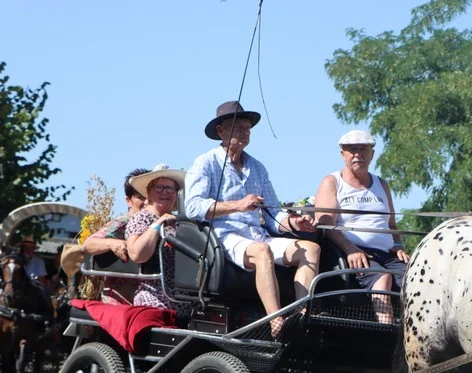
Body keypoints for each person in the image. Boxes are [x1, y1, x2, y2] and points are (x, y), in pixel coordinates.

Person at [185, 101, 319, 336]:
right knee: (261, 251)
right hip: (223, 237)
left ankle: (301, 316)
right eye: (239, 126)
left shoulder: (257, 167)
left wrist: (294, 223)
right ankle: (276, 322)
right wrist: (238, 205)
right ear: (221, 131)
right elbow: (193, 207)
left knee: (311, 249)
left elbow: (274, 213)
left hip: (258, 234)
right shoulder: (205, 162)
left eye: (248, 127)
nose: (245, 131)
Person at [314, 129, 407, 324]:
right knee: (382, 278)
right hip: (354, 253)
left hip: (387, 253)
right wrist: (351, 250)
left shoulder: (382, 184)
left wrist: (398, 246)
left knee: (417, 278)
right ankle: (386, 334)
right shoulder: (332, 182)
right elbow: (325, 225)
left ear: (372, 154)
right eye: (352, 150)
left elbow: (391, 224)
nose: (358, 154)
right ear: (343, 154)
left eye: (363, 150)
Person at [124, 165, 191, 315]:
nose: (165, 192)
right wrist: (157, 225)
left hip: (184, 296)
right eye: (159, 187)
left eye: (170, 188)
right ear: (148, 192)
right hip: (156, 296)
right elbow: (137, 255)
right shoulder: (141, 218)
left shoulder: (179, 221)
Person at [79, 168, 150, 303]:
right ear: (129, 201)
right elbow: (88, 244)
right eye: (140, 197)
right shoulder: (124, 222)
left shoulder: (157, 225)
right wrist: (113, 243)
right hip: (122, 302)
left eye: (149, 197)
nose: (146, 202)